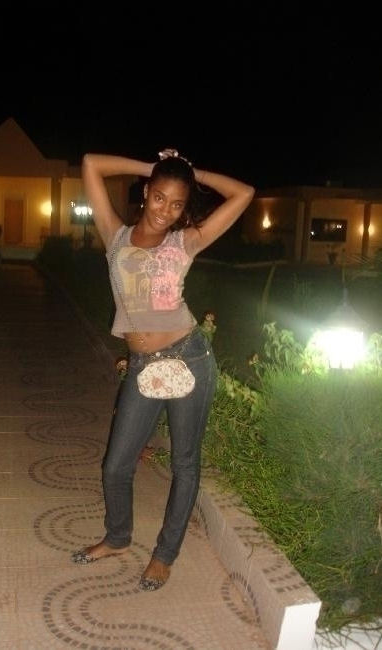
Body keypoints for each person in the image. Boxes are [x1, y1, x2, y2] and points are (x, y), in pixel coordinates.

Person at [72, 148, 255, 590]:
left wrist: (193, 172)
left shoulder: (185, 241)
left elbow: (244, 193)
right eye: (159, 197)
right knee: (116, 465)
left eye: (177, 204)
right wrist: (152, 167)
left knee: (184, 462)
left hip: (188, 358)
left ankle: (165, 554)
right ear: (146, 193)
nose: (165, 210)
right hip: (142, 366)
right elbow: (91, 164)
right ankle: (118, 537)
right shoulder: (115, 235)